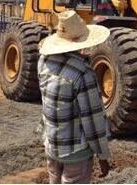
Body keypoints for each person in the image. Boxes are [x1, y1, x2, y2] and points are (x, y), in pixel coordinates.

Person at [38, 10, 112, 184]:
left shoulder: (44, 61)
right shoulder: (83, 74)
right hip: (76, 150)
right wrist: (102, 156)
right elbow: (93, 121)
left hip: (52, 142)